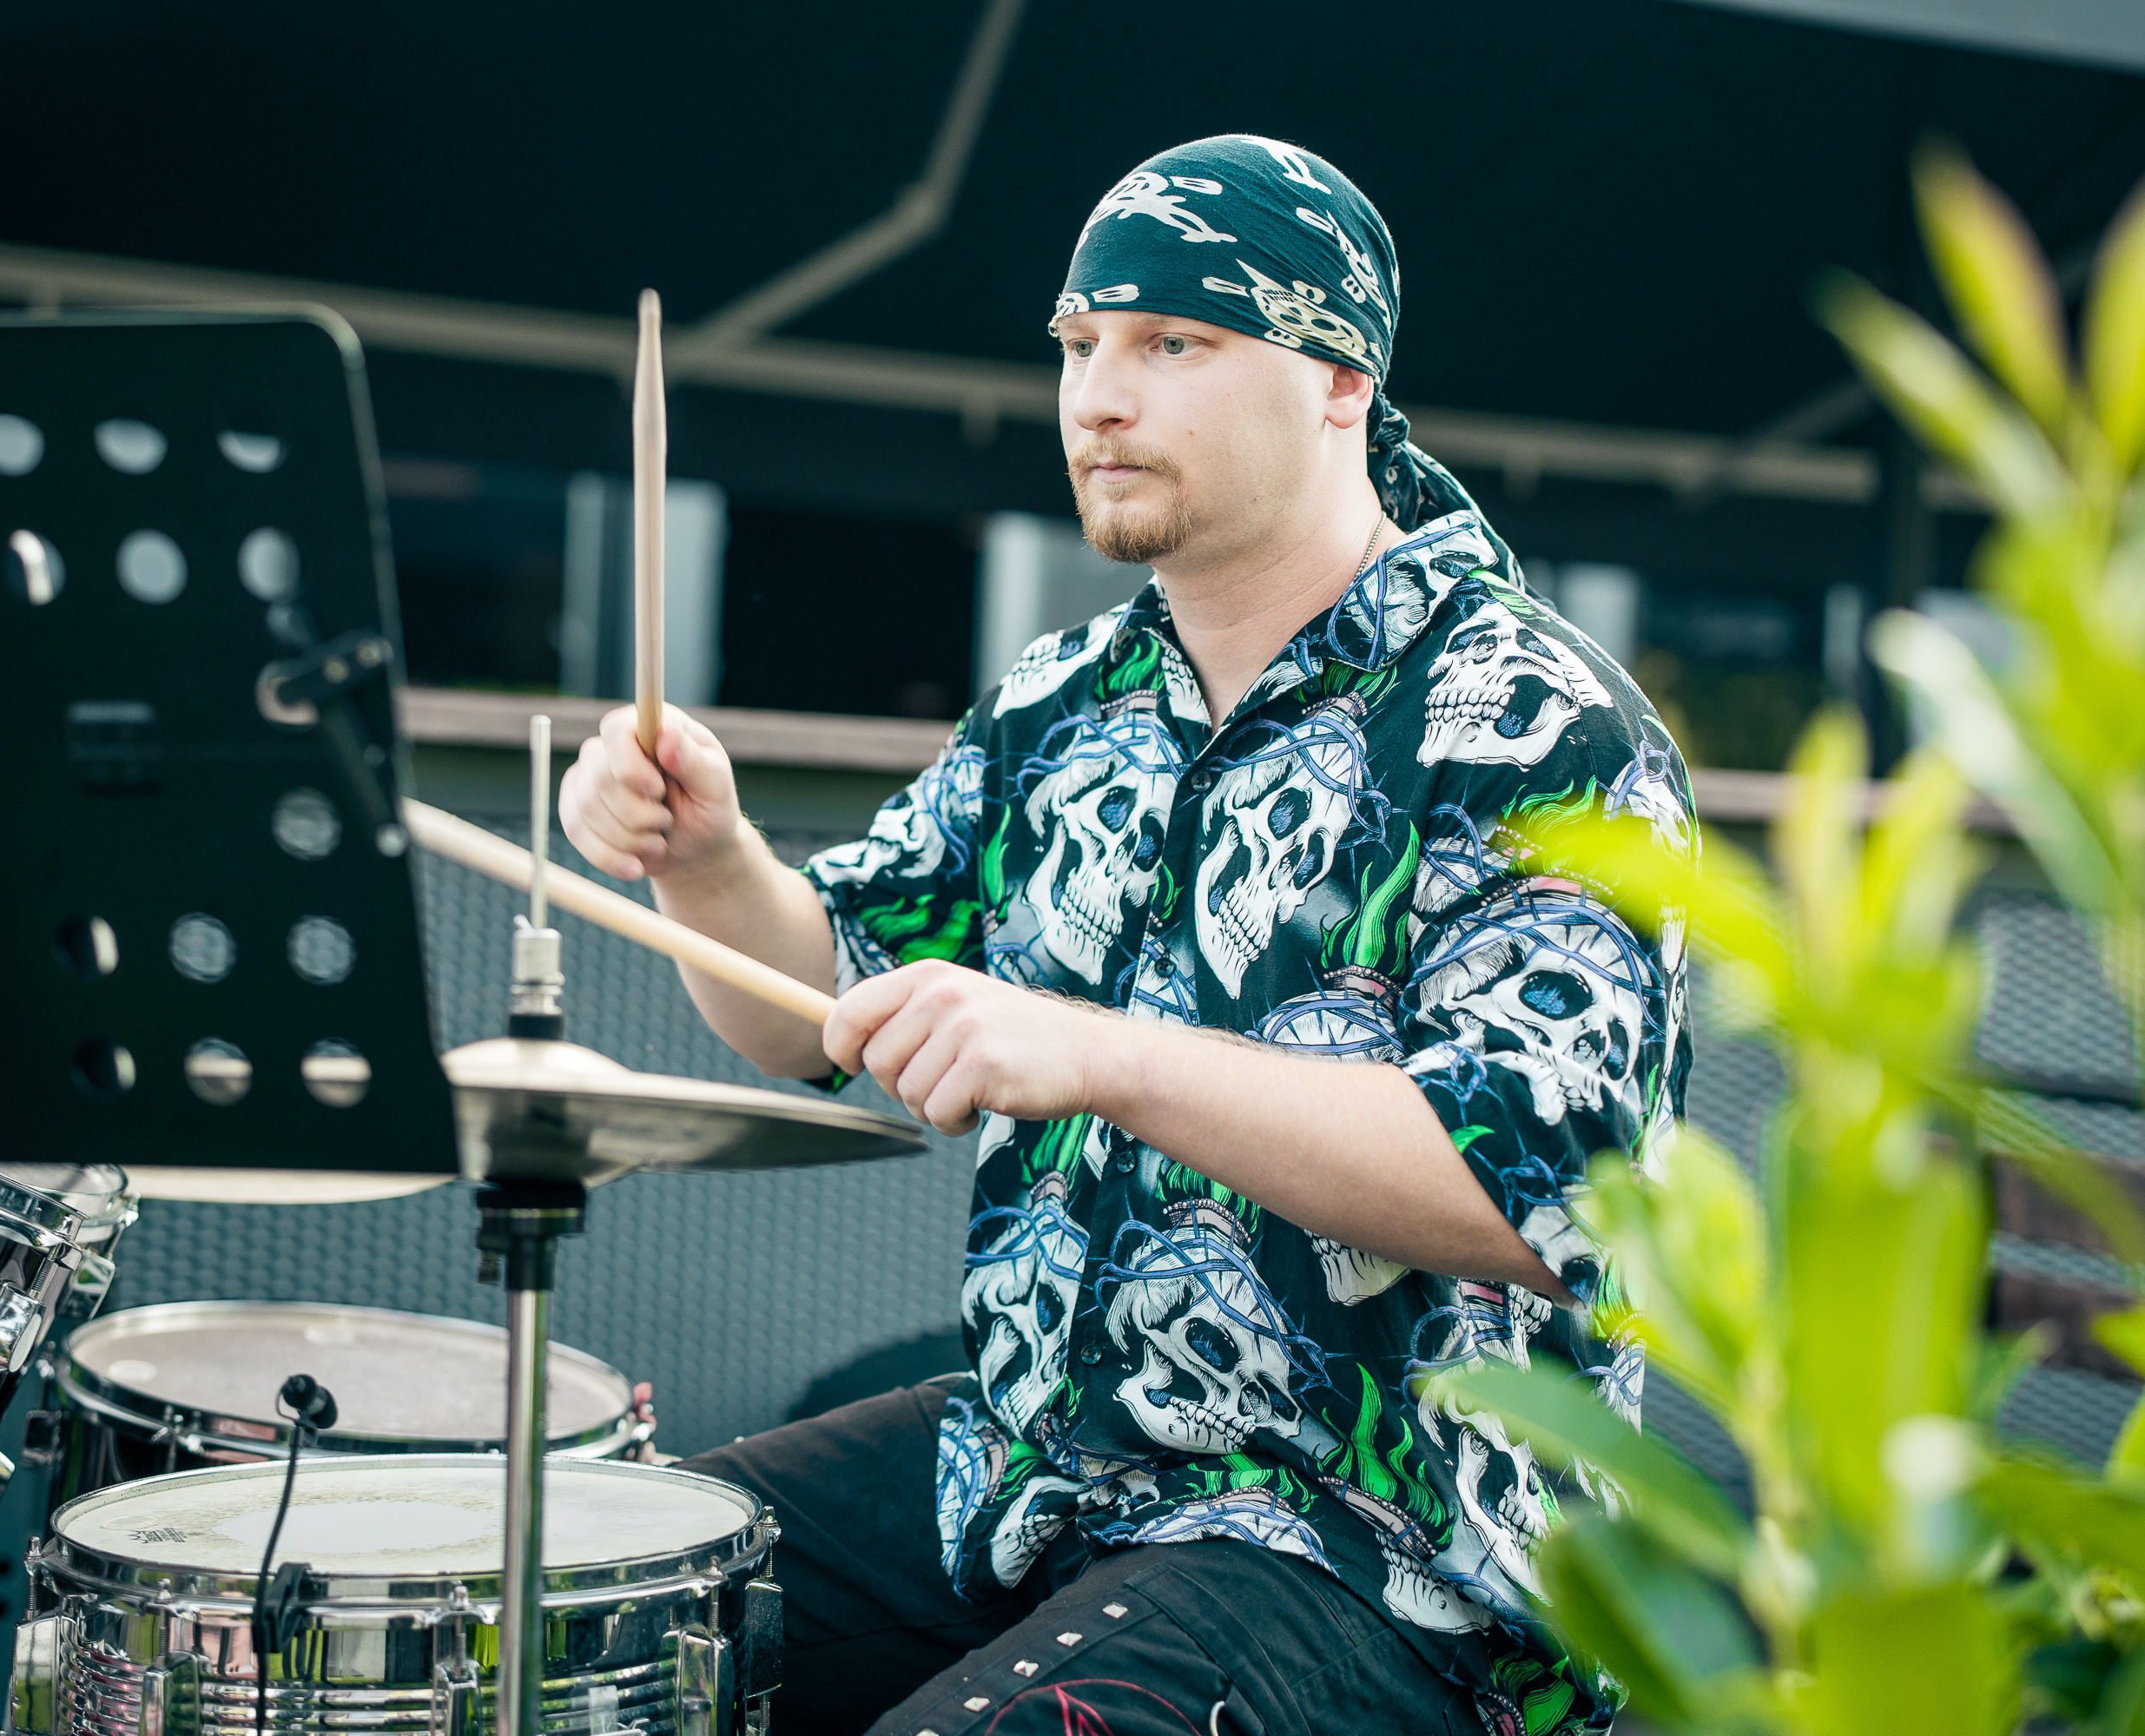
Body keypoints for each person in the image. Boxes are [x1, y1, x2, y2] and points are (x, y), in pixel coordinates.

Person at [561, 135, 1691, 1736]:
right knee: (583, 1608)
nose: (1098, 398)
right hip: (1036, 1466)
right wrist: (708, 857)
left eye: (1175, 344)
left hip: (1386, 1552)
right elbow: (816, 1003)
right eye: (1081, 344)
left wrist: (1104, 1055)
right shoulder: (1065, 700)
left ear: (1341, 381)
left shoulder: (1535, 721)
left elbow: (1542, 1193)